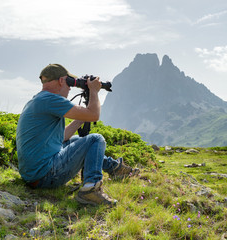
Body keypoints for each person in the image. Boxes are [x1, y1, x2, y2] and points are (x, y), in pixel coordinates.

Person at [16, 64, 139, 206]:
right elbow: (94, 115)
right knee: (95, 139)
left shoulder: (39, 100)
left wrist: (82, 117)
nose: (70, 88)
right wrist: (93, 91)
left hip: (33, 176)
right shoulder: (50, 99)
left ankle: (116, 169)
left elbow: (61, 138)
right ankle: (90, 190)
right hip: (45, 175)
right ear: (62, 80)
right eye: (70, 83)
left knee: (76, 140)